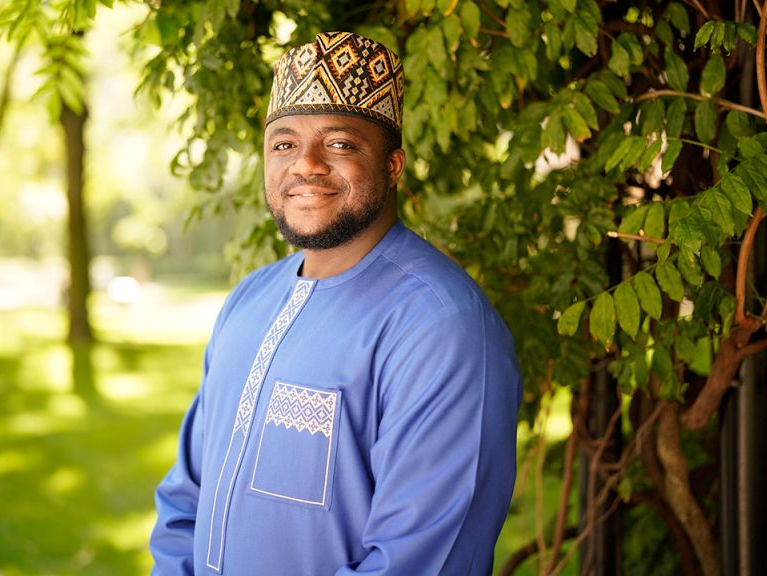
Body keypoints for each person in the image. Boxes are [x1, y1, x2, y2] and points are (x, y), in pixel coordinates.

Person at [149, 31, 521, 576]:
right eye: (283, 144)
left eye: (340, 144)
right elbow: (186, 500)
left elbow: (424, 561)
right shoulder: (248, 300)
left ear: (393, 165)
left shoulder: (442, 326)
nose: (307, 165)